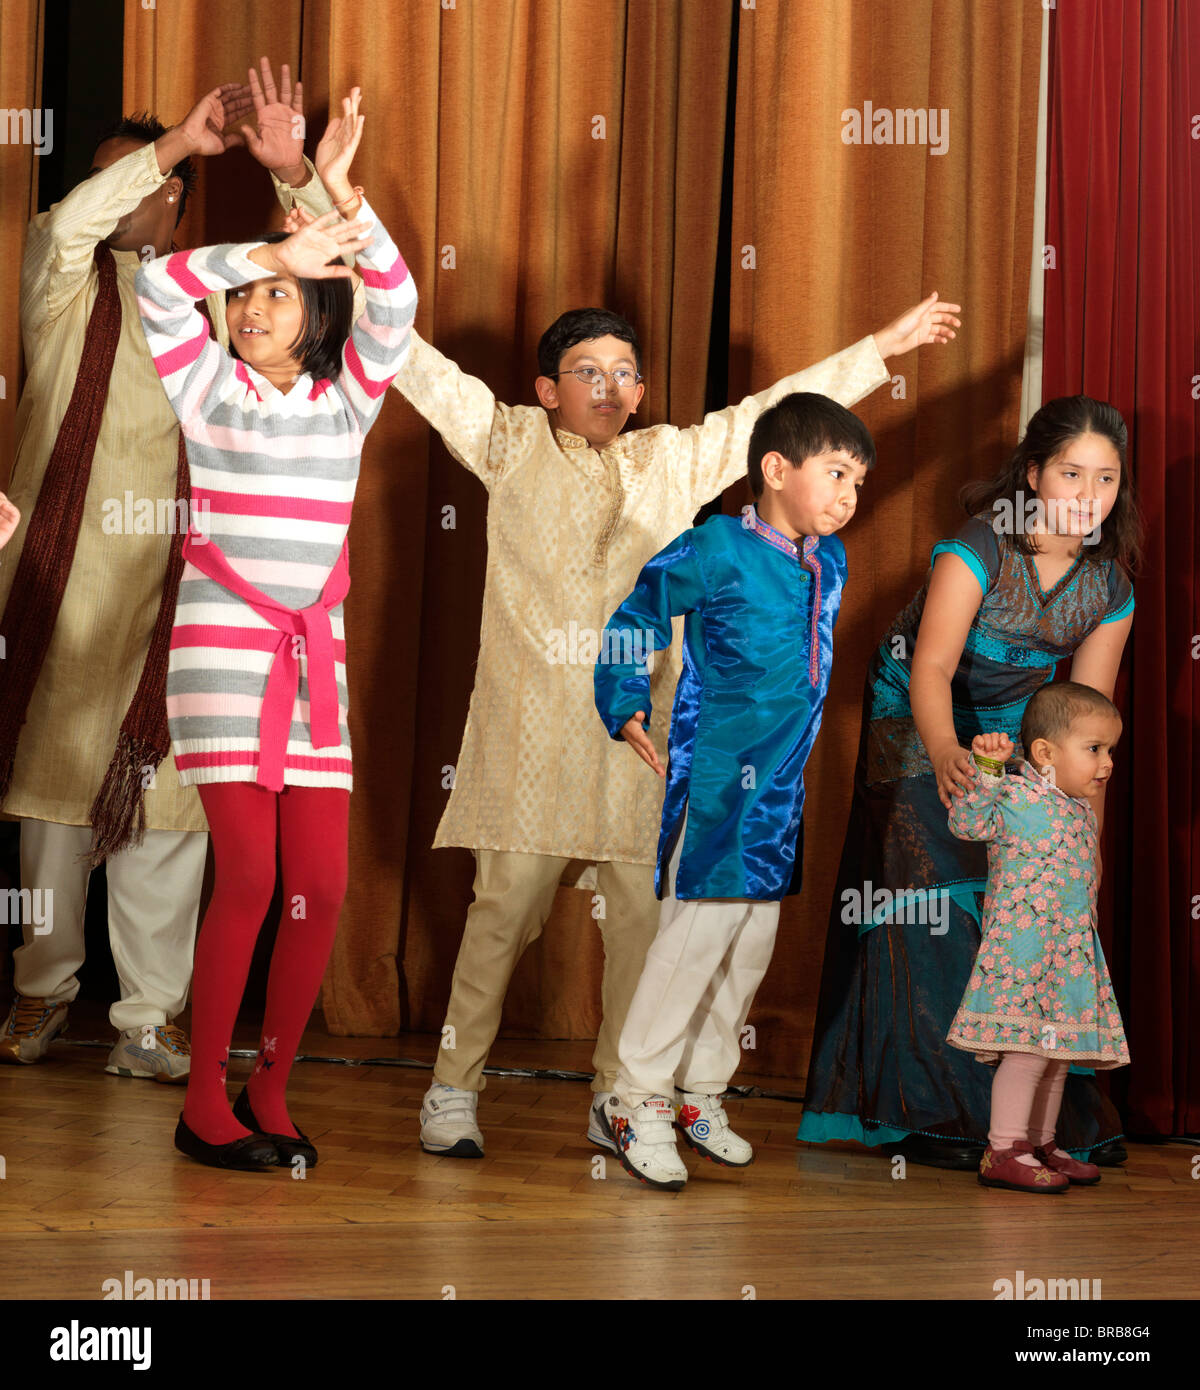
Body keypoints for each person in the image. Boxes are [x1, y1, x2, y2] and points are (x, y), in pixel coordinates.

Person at [376, 289, 959, 1159]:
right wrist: (352, 281)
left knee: (643, 927)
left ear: (643, 391)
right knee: (502, 917)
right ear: (547, 389)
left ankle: (620, 1097)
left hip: (645, 741)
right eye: (587, 373)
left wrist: (880, 345)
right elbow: (421, 370)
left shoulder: (673, 459)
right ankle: (453, 1093)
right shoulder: (506, 442)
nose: (608, 388)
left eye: (624, 374)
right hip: (528, 732)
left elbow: (773, 420)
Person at [135, 87, 417, 1171]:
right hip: (220, 647)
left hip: (314, 661)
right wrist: (274, 246)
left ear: (320, 311)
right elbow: (163, 285)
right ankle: (201, 1095)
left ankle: (272, 1086)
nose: (254, 307)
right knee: (247, 874)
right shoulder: (206, 387)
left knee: (325, 885)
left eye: (279, 296)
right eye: (247, 294)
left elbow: (394, 292)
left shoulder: (348, 400)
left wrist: (337, 191)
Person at [798, 395, 1140, 1169]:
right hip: (921, 714)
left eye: (1108, 479)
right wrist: (948, 750)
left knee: (1027, 899)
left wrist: (1085, 850)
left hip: (1020, 731)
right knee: (933, 897)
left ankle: (1025, 1128)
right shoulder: (977, 546)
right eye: (1071, 473)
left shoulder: (1111, 586)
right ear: (1032, 475)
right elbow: (931, 666)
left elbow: (1087, 728)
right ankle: (927, 1112)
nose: (1089, 494)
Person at [0, 85, 256, 1079]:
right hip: (67, 585)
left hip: (183, 588)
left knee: (168, 801)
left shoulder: (221, 301)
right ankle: (40, 992)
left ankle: (149, 1016)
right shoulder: (59, 277)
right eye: (103, 176)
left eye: (138, 176)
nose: (113, 191)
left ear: (178, 206)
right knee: (53, 797)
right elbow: (72, 223)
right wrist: (179, 142)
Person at [592, 393, 875, 1190]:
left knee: (747, 950)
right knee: (693, 943)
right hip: (719, 781)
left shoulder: (831, 560)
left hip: (782, 795)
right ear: (776, 470)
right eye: (836, 471)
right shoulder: (717, 546)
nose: (850, 492)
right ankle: (633, 1097)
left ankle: (699, 1094)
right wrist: (627, 701)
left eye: (859, 477)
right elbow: (636, 612)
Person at [945, 685, 1129, 1193]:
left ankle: (1039, 1143)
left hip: (1069, 955)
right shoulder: (1014, 795)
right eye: (1095, 749)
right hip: (1022, 952)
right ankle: (1003, 1148)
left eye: (1111, 750)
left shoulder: (1079, 810)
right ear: (1045, 753)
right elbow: (967, 823)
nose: (1107, 763)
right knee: (1026, 1052)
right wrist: (986, 773)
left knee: (1055, 1053)